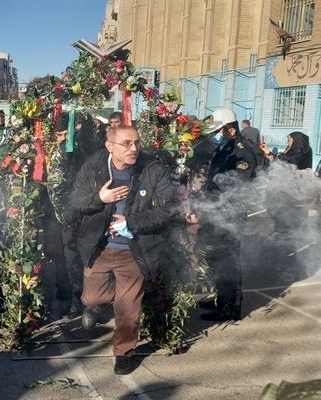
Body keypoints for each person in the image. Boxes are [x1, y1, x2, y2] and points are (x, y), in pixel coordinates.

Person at [64, 125, 176, 375]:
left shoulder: (153, 170)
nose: (133, 148)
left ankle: (124, 352)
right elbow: (73, 203)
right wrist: (99, 199)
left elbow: (168, 210)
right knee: (93, 299)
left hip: (133, 251)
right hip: (99, 249)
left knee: (128, 310)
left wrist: (130, 223)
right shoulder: (94, 167)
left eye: (136, 142)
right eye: (126, 143)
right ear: (109, 146)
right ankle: (100, 306)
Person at [199, 108, 256, 321]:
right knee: (216, 257)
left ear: (230, 129)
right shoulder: (225, 147)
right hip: (216, 210)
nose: (216, 134)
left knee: (229, 259)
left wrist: (214, 187)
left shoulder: (243, 151)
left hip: (230, 213)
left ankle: (231, 308)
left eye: (219, 130)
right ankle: (221, 298)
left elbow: (238, 183)